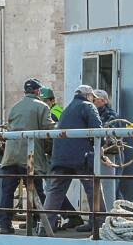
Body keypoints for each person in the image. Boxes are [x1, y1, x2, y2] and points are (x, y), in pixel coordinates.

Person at [42, 85, 104, 235]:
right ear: (89, 96)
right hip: (80, 157)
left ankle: (45, 228)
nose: (93, 100)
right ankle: (100, 225)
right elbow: (98, 129)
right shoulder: (88, 107)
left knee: (55, 192)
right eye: (93, 97)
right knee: (93, 188)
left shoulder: (66, 110)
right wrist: (103, 146)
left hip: (60, 158)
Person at [0, 79, 55, 235]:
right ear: (37, 92)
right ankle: (43, 224)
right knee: (37, 190)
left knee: (7, 192)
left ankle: (4, 225)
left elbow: (9, 128)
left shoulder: (15, 107)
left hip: (10, 156)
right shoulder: (42, 107)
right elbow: (48, 129)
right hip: (29, 157)